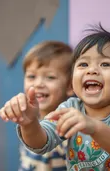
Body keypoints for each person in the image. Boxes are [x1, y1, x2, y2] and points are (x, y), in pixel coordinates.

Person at [0, 25, 110, 171]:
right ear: (72, 81)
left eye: (105, 64)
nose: (91, 70)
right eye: (83, 64)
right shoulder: (70, 108)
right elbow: (41, 143)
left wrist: (94, 127)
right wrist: (29, 123)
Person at [6, 41, 74, 170]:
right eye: (31, 76)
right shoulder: (29, 119)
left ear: (70, 86)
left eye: (50, 77)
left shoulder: (65, 128)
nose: (38, 84)